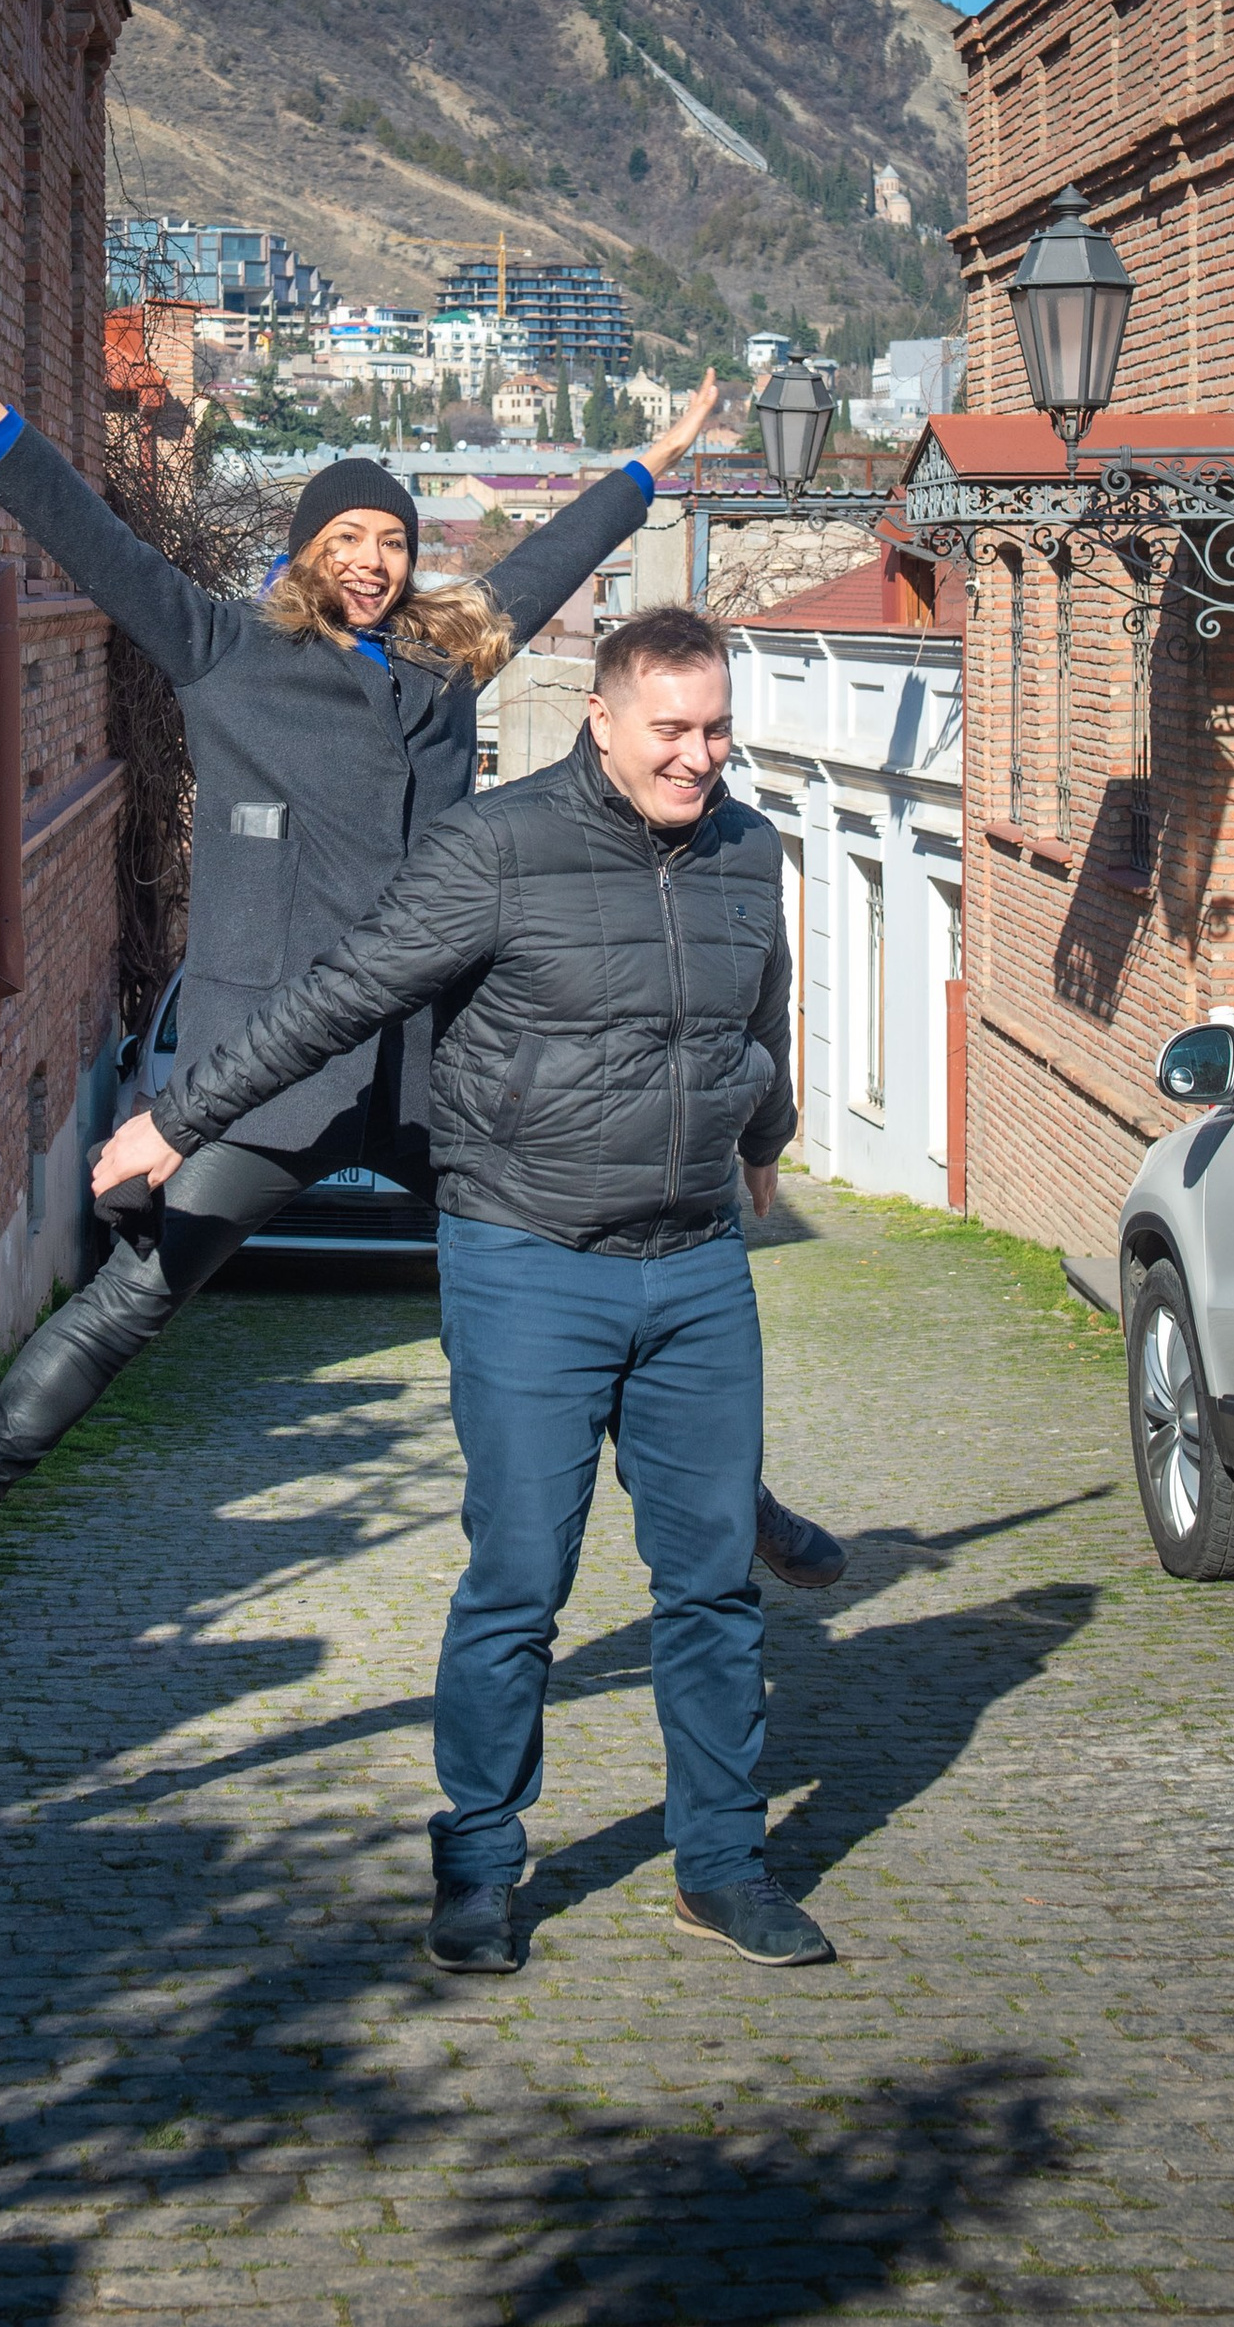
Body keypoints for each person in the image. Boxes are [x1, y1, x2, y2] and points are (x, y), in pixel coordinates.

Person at [0, 290, 846, 1675]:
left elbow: (550, 562)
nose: (373, 561)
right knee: (133, 1302)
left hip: (441, 1075)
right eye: (349, 537)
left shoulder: (443, 671)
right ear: (310, 547)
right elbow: (97, 542)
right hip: (276, 1071)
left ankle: (742, 1509)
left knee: (583, 1270)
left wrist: (653, 461)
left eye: (393, 541)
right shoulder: (225, 653)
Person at [91, 603, 833, 1976]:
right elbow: (341, 995)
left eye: (718, 729)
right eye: (672, 729)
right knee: (518, 1581)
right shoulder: (497, 848)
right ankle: (480, 1863)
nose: (699, 758)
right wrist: (181, 1119)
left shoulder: (747, 850)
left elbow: (758, 1015)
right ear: (600, 718)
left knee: (714, 1584)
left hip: (693, 1269)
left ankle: (724, 1864)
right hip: (526, 1260)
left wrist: (762, 1145)